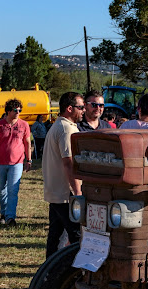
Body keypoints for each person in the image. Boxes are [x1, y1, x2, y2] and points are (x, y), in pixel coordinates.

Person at [42, 92, 85, 258]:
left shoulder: (58, 126)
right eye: (80, 107)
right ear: (69, 108)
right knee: (76, 236)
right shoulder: (66, 129)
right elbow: (69, 163)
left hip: (56, 192)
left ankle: (48, 272)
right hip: (66, 194)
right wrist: (78, 192)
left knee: (56, 236)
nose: (83, 111)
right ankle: (73, 272)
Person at [0, 100, 32, 226]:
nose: (18, 112)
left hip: (17, 163)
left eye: (20, 110)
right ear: (8, 111)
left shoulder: (24, 125)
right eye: (15, 110)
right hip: (1, 162)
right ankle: (3, 213)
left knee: (13, 190)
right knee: (2, 190)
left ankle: (10, 217)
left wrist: (28, 160)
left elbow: (27, 143)